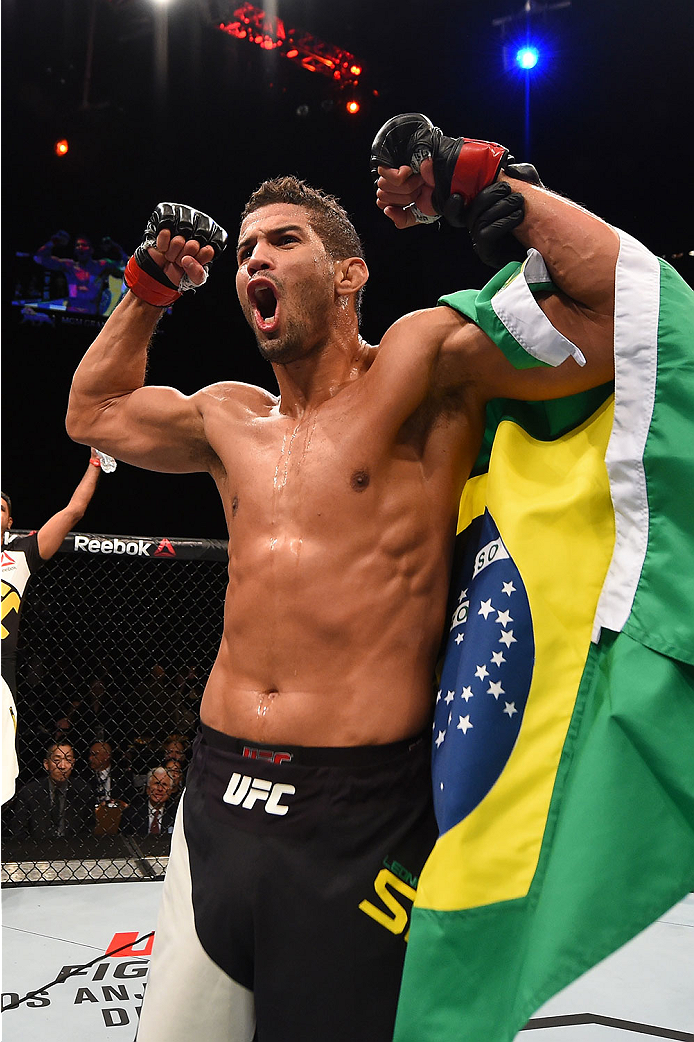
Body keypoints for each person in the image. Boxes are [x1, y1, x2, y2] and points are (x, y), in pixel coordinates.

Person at [64, 116, 621, 1042]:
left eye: (284, 241)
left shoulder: (420, 365)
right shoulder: (226, 417)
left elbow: (621, 319)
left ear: (351, 273)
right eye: (244, 251)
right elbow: (96, 411)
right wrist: (152, 291)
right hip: (216, 798)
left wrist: (494, 192)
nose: (254, 261)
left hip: (360, 816)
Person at [1, 447, 115, 805]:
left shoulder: (19, 554)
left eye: (1, 508)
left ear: (9, 522)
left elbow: (73, 511)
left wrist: (96, 462)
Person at [11, 740, 94, 838]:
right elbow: (19, 830)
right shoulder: (30, 791)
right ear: (46, 764)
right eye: (57, 760)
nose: (62, 766)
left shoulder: (83, 790)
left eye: (68, 760)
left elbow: (89, 827)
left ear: (73, 764)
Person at [33, 231, 128, 315]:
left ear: (91, 250)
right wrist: (54, 241)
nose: (80, 247)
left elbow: (126, 265)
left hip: (92, 314)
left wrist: (115, 247)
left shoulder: (101, 266)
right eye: (77, 245)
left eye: (84, 245)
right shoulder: (69, 266)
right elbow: (39, 258)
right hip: (71, 313)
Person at [120, 765, 177, 836]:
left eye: (164, 784)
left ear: (170, 790)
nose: (160, 789)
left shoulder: (177, 815)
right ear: (147, 789)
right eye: (156, 783)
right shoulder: (131, 814)